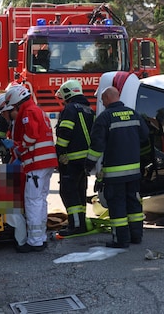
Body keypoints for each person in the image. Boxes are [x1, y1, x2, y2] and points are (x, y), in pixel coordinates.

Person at [90, 86, 149, 248]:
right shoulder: (133, 114)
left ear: (108, 98)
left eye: (102, 100)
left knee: (117, 206)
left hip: (114, 175)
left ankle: (121, 240)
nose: (102, 102)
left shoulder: (104, 118)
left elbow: (96, 147)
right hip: (134, 173)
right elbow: (145, 138)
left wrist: (87, 165)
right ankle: (136, 236)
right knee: (134, 205)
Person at [3, 85, 58, 252]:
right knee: (40, 200)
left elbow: (32, 135)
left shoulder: (27, 112)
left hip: (36, 163)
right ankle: (40, 236)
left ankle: (35, 241)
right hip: (46, 162)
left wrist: (20, 146)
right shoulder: (37, 110)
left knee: (32, 201)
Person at [54, 80, 96, 236]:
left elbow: (65, 132)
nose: (62, 101)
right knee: (79, 191)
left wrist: (60, 153)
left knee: (68, 192)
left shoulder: (70, 109)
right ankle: (81, 222)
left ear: (67, 93)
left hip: (71, 160)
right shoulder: (89, 110)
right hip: (86, 160)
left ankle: (75, 225)